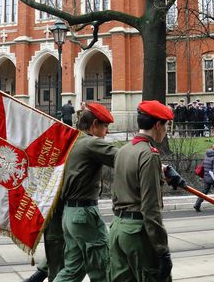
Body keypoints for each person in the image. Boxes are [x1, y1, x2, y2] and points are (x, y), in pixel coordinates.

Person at [108, 100, 173, 282]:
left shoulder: (124, 150)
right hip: (138, 234)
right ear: (158, 125)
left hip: (118, 229)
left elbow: (117, 192)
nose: (166, 130)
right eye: (166, 125)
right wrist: (162, 250)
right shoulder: (149, 154)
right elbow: (150, 208)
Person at [53, 103, 117, 282]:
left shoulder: (73, 140)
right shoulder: (91, 143)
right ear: (94, 124)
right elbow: (123, 158)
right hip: (84, 214)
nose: (107, 132)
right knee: (104, 267)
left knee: (73, 270)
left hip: (70, 215)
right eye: (105, 127)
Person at [194, 144, 214, 212]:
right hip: (213, 178)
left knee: (204, 192)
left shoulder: (207, 156)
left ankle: (197, 204)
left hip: (206, 177)